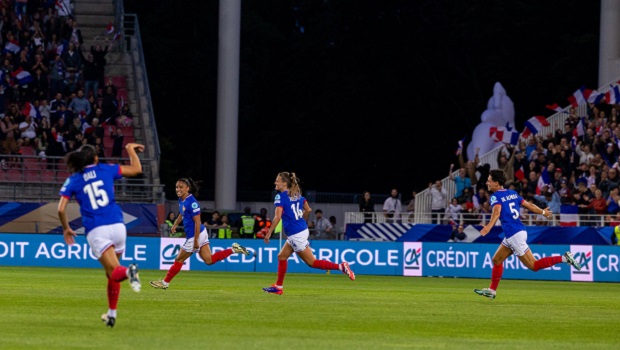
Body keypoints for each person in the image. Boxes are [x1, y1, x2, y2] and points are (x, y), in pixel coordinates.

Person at [57, 143, 144, 328]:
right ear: (95, 159)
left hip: (97, 229)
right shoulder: (107, 169)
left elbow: (61, 209)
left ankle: (131, 271)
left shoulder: (74, 179)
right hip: (118, 225)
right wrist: (129, 149)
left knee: (116, 271)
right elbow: (137, 169)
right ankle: (111, 315)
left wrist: (66, 228)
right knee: (111, 273)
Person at [473, 170, 582, 300]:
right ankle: (492, 290)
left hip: (514, 235)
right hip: (518, 232)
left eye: (489, 180)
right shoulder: (512, 193)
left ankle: (565, 258)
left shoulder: (495, 197)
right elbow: (529, 205)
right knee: (496, 259)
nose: (487, 183)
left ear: (496, 183)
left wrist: (488, 227)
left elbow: (496, 213)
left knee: (534, 266)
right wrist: (542, 212)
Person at [262, 172, 355, 295]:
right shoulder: (296, 195)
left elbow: (277, 217)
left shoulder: (280, 197)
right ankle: (278, 287)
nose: (275, 182)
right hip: (300, 230)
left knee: (312, 262)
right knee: (282, 256)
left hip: (296, 234)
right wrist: (305, 215)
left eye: (277, 180)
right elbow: (308, 208)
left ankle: (341, 267)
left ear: (284, 183)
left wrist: (268, 233)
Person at [149, 178, 250, 290]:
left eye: (181, 187)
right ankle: (233, 249)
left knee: (179, 259)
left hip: (195, 235)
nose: (178, 189)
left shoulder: (192, 203)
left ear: (187, 188)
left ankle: (165, 283)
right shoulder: (181, 199)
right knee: (209, 260)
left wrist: (196, 240)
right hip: (200, 233)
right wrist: (175, 225)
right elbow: (182, 214)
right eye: (177, 187)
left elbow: (197, 222)